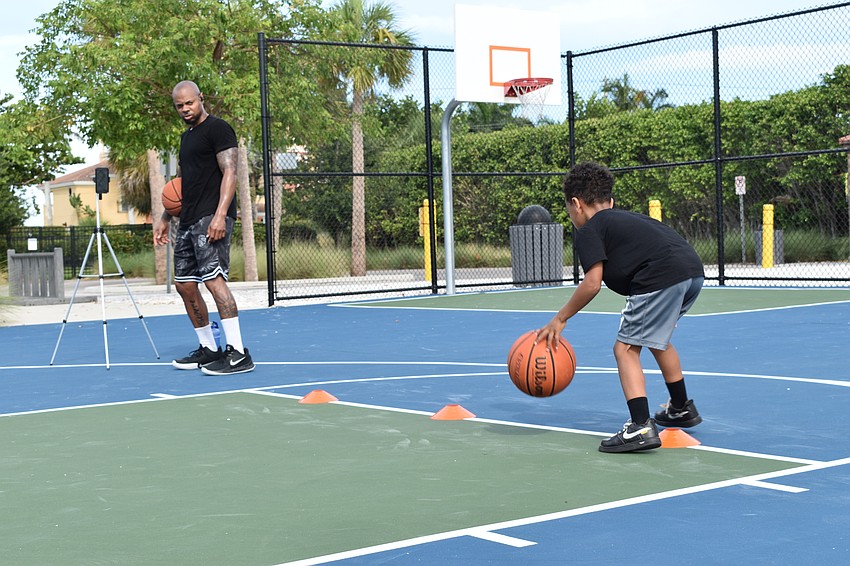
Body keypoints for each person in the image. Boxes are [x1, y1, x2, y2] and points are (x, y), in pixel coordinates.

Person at [536, 161, 704, 453]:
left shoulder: (590, 229)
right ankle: (680, 407)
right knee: (657, 340)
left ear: (575, 204)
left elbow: (592, 282)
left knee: (625, 348)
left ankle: (640, 427)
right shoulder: (626, 220)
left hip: (660, 275)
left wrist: (560, 319)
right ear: (610, 201)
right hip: (692, 272)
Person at [153, 80, 255, 375]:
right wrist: (165, 216)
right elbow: (183, 185)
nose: (185, 109)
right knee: (185, 285)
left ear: (201, 99)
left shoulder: (218, 128)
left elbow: (230, 172)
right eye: (179, 106)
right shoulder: (187, 138)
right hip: (186, 218)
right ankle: (209, 349)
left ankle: (237, 353)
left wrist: (221, 215)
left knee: (213, 280)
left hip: (211, 216)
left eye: (189, 103)